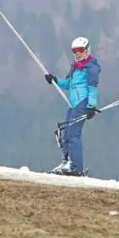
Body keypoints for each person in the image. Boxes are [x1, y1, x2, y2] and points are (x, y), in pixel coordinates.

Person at [45, 36, 101, 176]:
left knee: (74, 134)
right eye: (75, 51)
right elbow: (68, 84)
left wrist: (91, 106)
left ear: (87, 50)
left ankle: (76, 167)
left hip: (82, 103)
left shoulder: (91, 67)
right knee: (66, 133)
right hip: (73, 104)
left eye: (80, 50)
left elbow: (93, 88)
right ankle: (66, 162)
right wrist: (55, 80)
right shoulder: (75, 67)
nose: (77, 53)